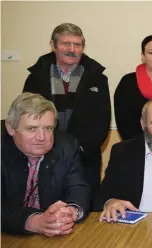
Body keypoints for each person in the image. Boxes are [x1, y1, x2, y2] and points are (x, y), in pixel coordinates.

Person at [22, 23, 111, 203]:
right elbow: (26, 116)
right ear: (53, 45)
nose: (72, 49)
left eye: (77, 45)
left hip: (84, 159)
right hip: (42, 157)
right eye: (65, 44)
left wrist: (78, 150)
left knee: (84, 209)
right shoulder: (36, 77)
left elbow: (102, 120)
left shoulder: (97, 78)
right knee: (46, 211)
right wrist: (49, 149)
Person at [2, 93, 90, 235]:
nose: (41, 137)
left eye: (48, 128)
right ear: (11, 128)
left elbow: (78, 187)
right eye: (32, 129)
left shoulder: (66, 146)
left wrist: (71, 210)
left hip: (52, 236)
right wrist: (32, 221)